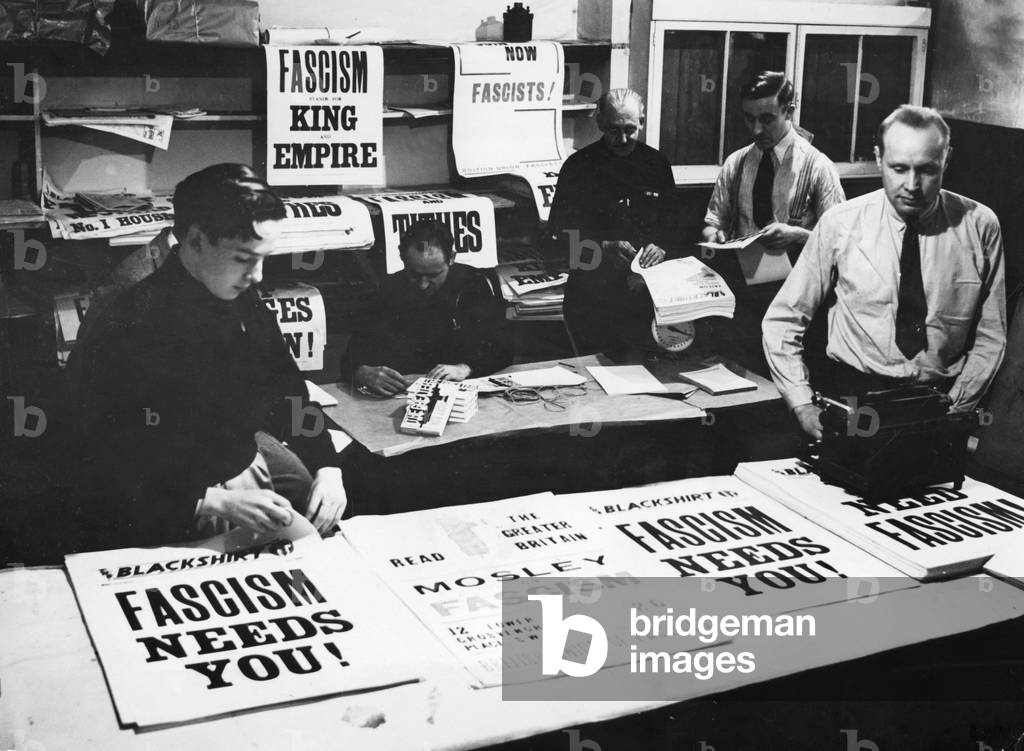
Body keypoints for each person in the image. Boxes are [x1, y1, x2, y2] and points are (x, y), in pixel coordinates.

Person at [70, 163, 347, 546]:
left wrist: (328, 466)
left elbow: (286, 387)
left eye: (264, 258)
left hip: (237, 461)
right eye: (244, 258)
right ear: (196, 241)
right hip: (175, 499)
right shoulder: (130, 320)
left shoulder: (234, 289)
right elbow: (103, 458)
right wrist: (213, 500)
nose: (259, 276)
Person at [763, 105, 1007, 440]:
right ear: (878, 158)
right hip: (856, 397)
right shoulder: (841, 223)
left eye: (926, 170)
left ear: (946, 160)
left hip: (941, 404)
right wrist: (802, 403)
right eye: (898, 168)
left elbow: (991, 335)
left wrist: (957, 406)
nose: (912, 185)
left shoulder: (980, 225)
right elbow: (783, 319)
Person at [547, 88, 676, 358]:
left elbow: (675, 226)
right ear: (600, 124)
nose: (623, 138)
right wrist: (601, 246)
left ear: (641, 121)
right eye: (614, 130)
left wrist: (662, 246)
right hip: (593, 296)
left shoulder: (657, 164)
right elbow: (556, 236)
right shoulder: (578, 167)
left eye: (631, 129)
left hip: (647, 296)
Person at [341, 219, 511, 396]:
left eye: (433, 275)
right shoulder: (389, 289)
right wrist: (361, 372)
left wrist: (465, 368)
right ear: (401, 255)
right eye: (414, 275)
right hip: (398, 395)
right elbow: (353, 353)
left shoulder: (474, 285)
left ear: (451, 258)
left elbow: (502, 348)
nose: (423, 285)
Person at [703, 71, 845, 258]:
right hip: (741, 279)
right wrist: (713, 236)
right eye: (749, 118)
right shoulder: (735, 163)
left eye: (767, 119)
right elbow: (713, 224)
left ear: (789, 112)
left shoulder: (819, 167)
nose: (756, 130)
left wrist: (800, 237)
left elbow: (840, 242)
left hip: (798, 281)